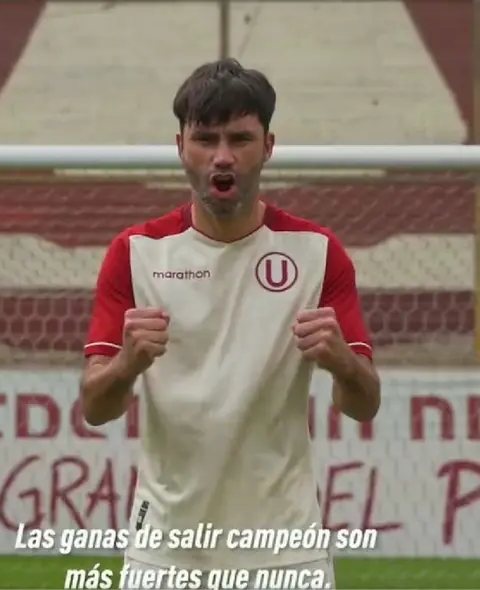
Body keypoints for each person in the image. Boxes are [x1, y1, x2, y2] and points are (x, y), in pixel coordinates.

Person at [80, 58, 379, 587]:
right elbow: (96, 408)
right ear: (180, 148)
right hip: (166, 553)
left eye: (239, 139)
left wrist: (344, 365)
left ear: (267, 146)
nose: (222, 157)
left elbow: (363, 405)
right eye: (206, 139)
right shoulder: (135, 253)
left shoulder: (317, 252)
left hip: (286, 550)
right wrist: (127, 363)